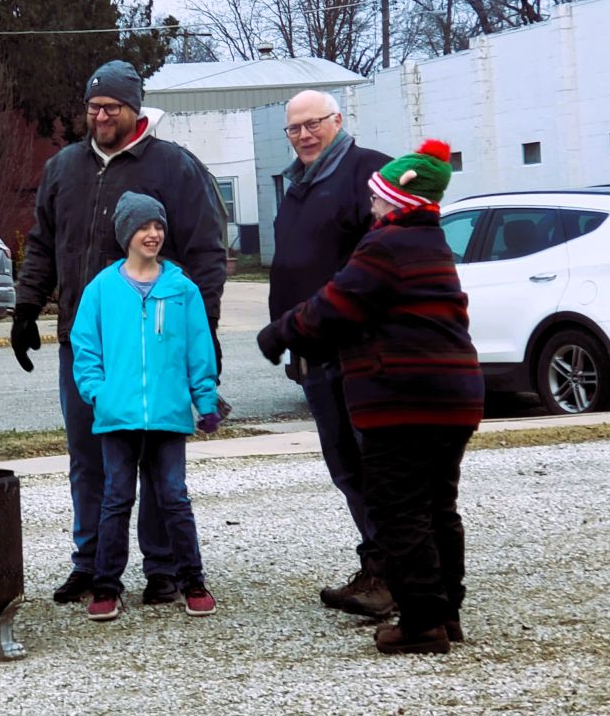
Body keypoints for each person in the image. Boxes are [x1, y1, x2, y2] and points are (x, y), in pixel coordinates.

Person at [13, 59, 227, 607]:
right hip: (85, 345)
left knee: (157, 461)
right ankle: (91, 564)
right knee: (89, 460)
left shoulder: (174, 167)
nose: (101, 115)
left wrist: (206, 327)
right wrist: (25, 308)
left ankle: (162, 568)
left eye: (111, 107)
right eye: (93, 107)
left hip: (157, 347)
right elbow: (42, 244)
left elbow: (204, 251)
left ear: (135, 109)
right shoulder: (63, 167)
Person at [257, 141, 483, 654]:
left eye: (378, 199)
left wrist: (279, 333)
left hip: (403, 397)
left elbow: (335, 303)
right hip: (455, 396)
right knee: (437, 507)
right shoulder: (432, 245)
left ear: (398, 202)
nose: (371, 207)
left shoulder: (386, 246)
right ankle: (445, 614)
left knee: (399, 509)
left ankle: (422, 622)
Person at [267, 90, 393, 618]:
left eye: (313, 124)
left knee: (376, 464)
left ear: (338, 121)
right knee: (344, 467)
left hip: (362, 354)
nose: (303, 135)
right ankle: (374, 562)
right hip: (313, 352)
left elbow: (380, 268)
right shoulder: (297, 185)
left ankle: (395, 574)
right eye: (294, 129)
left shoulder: (371, 174)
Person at [70, 193, 222, 621]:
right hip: (116, 416)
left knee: (174, 497)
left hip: (168, 415)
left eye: (157, 226)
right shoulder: (101, 290)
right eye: (143, 227)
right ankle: (106, 585)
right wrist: (97, 392)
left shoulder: (181, 289)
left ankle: (191, 579)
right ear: (125, 234)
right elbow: (85, 348)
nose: (152, 234)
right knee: (116, 498)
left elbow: (198, 350)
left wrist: (204, 400)